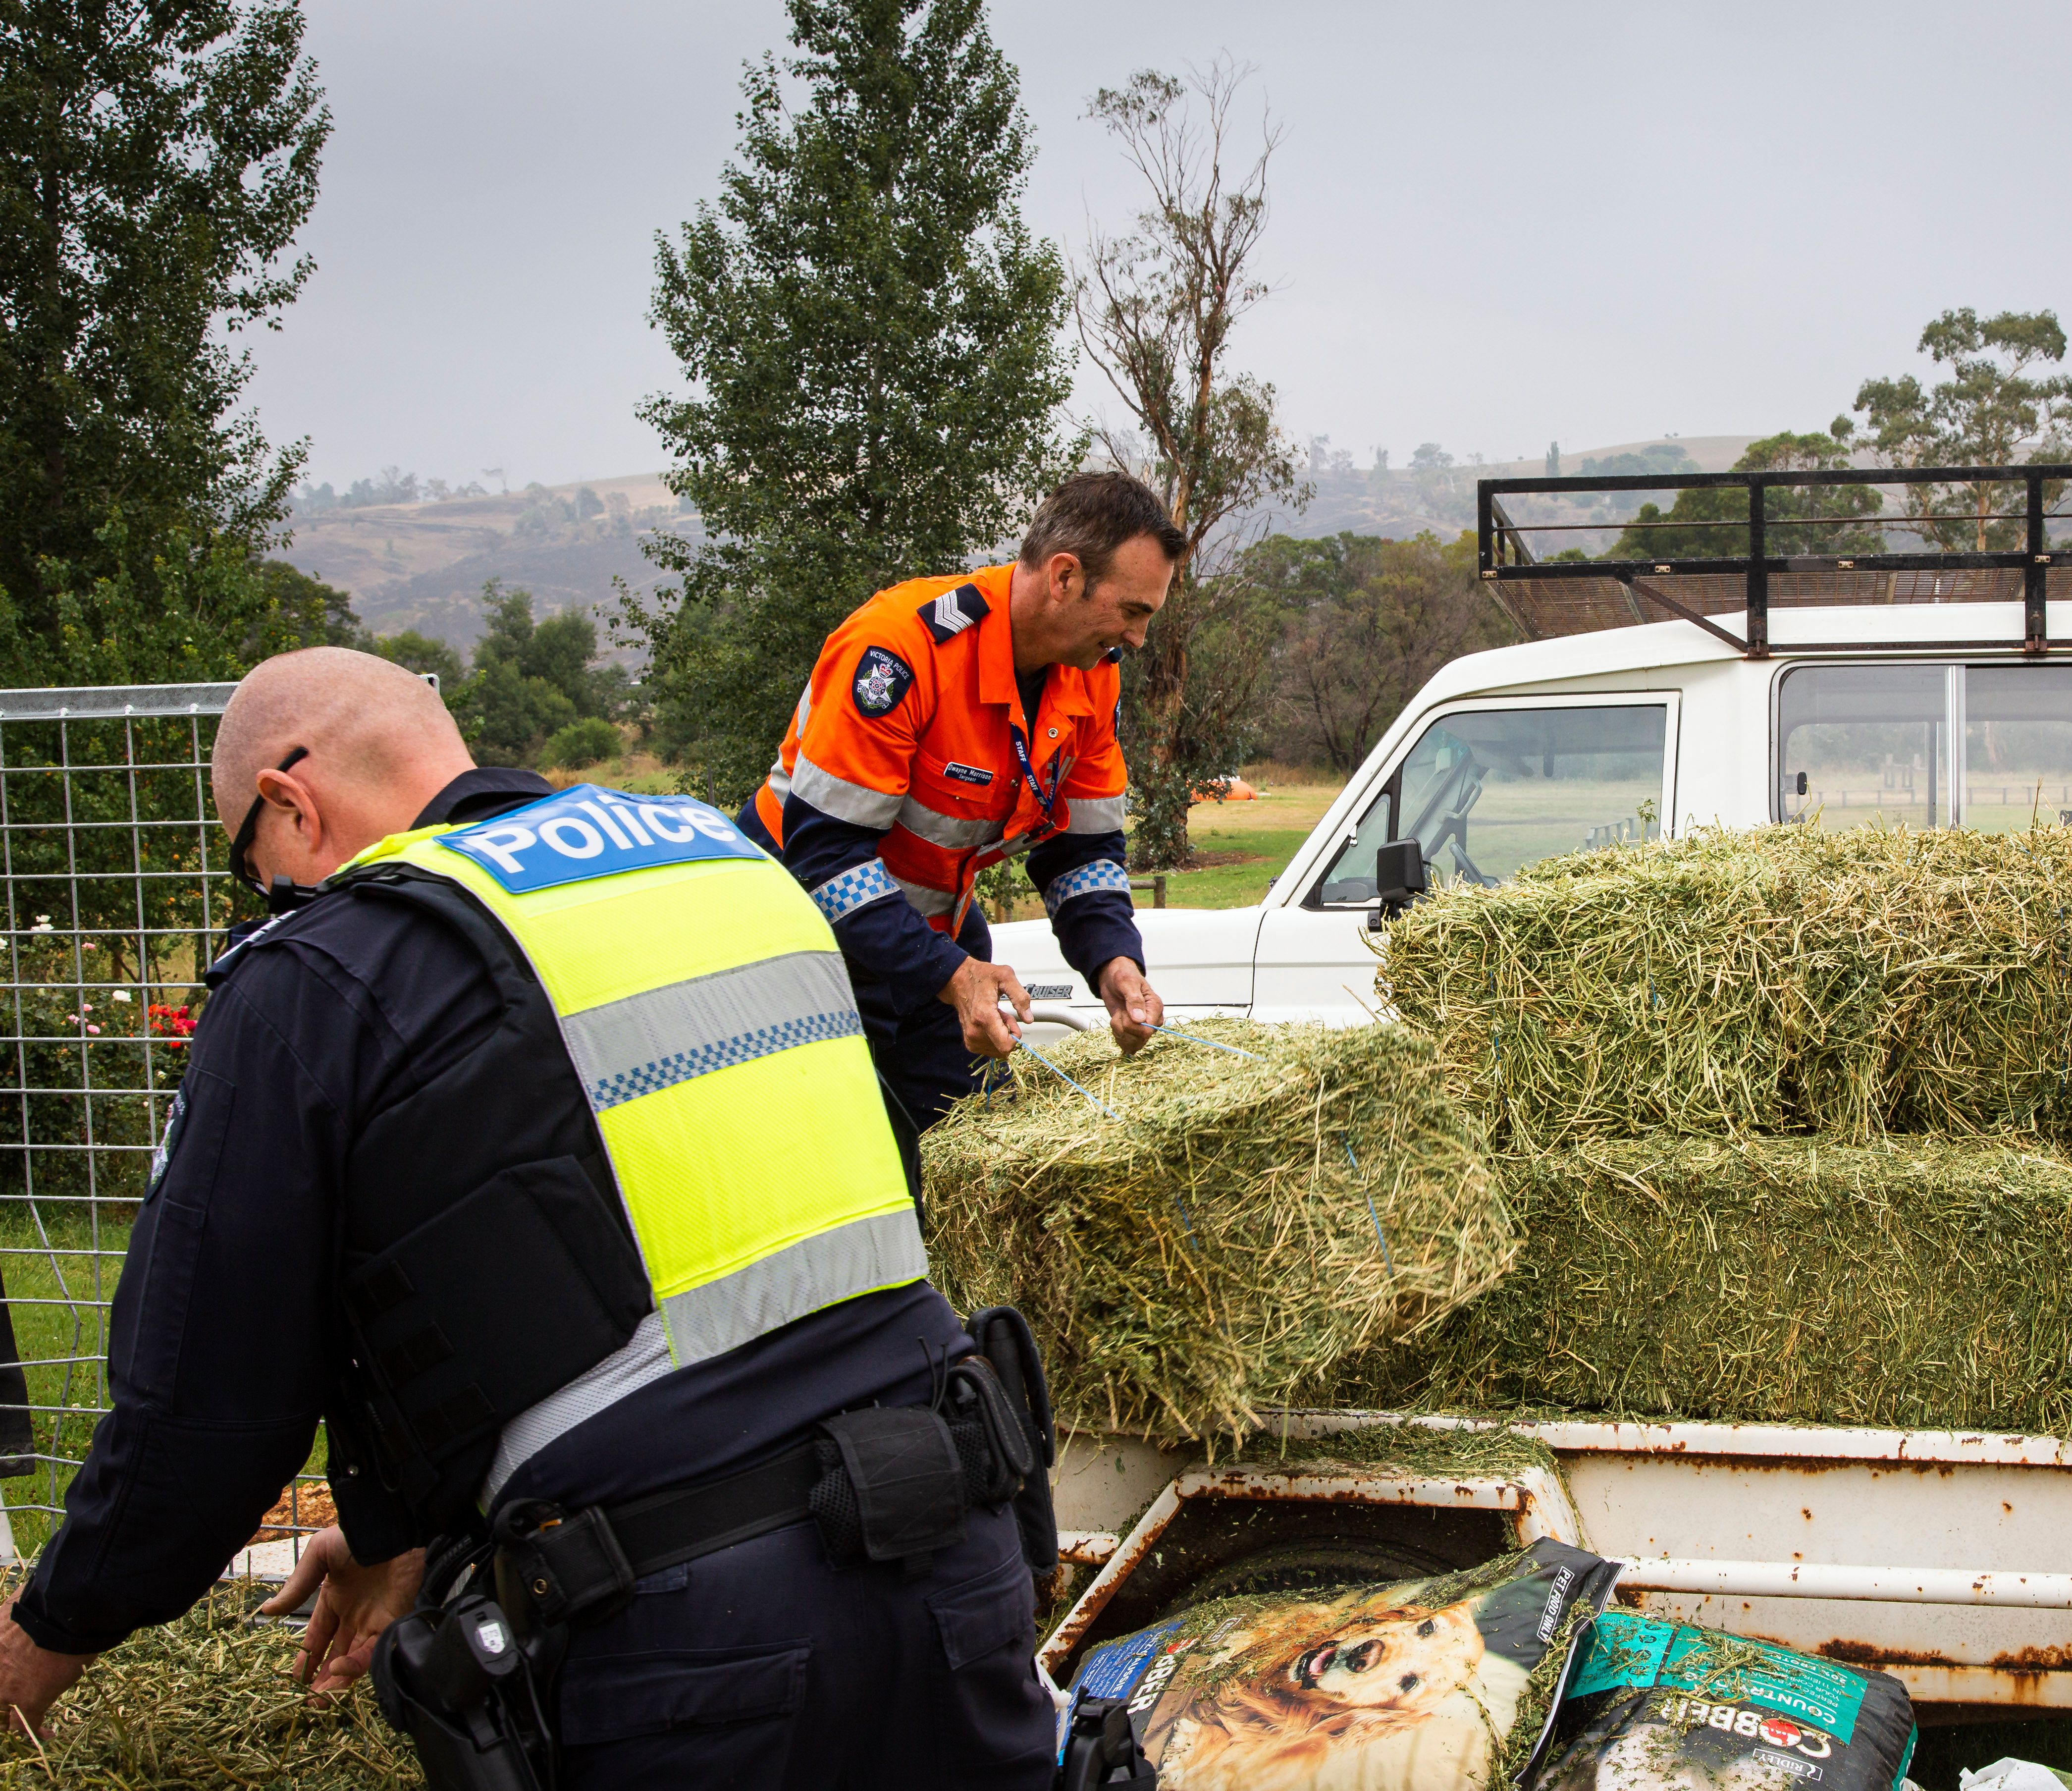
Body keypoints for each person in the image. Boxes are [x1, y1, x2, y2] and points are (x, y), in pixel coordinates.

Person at [0, 649, 1054, 1789]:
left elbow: (199, 1419)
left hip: (692, 1642)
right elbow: (636, 1229)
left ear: (289, 804)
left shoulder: (324, 969)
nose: (275, 901)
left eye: (260, 869)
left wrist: (34, 1653)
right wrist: (391, 1519)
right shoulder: (725, 861)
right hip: (961, 1548)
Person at [743, 471, 1186, 1155]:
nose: (1136, 638)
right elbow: (825, 859)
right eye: (1132, 611)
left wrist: (1114, 963)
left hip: (925, 949)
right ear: (1065, 578)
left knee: (972, 1174)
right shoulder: (901, 650)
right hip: (795, 952)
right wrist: (953, 975)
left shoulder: (1092, 678)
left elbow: (1082, 852)